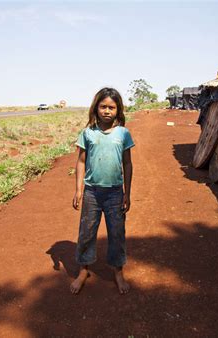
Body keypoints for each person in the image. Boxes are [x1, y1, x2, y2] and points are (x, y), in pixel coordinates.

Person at [70, 87, 134, 295]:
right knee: (87, 232)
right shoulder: (88, 133)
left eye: (112, 107)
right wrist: (79, 190)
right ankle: (83, 270)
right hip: (92, 193)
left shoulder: (123, 133)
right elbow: (80, 162)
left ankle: (118, 271)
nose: (107, 111)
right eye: (103, 106)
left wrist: (127, 192)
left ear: (118, 110)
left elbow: (127, 164)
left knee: (117, 233)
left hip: (115, 193)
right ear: (96, 108)